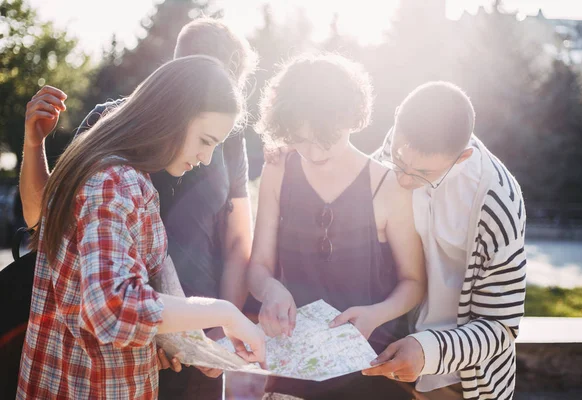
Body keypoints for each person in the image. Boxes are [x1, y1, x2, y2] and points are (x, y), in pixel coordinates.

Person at [19, 17, 258, 399]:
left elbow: (158, 265)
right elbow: (112, 306)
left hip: (132, 354)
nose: (208, 157)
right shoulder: (117, 177)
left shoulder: (129, 171)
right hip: (98, 378)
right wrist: (222, 314)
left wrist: (186, 334)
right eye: (205, 139)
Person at [248, 53, 426, 399]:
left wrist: (376, 314)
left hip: (369, 367)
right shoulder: (279, 170)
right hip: (294, 366)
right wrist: (270, 290)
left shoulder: (386, 185)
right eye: (300, 139)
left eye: (325, 139)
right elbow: (258, 266)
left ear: (351, 117)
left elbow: (414, 281)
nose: (313, 153)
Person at [362, 82, 527, 400]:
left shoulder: (497, 204)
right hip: (382, 365)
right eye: (399, 161)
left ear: (462, 157)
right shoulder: (394, 148)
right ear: (397, 120)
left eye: (423, 173)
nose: (403, 179)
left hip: (457, 382)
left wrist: (428, 351)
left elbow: (501, 326)